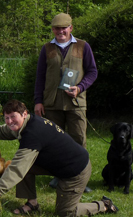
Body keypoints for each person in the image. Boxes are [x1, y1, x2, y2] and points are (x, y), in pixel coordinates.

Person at [0, 99, 118, 217]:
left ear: (24, 114)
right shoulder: (27, 123)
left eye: (13, 117)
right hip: (58, 165)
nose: (10, 121)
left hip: (76, 170)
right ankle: (32, 203)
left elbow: (18, 167)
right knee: (27, 167)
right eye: (6, 118)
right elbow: (3, 130)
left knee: (66, 212)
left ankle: (104, 205)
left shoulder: (32, 134)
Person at [33, 13, 97, 191]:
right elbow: (40, 77)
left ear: (71, 28)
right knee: (54, 141)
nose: (60, 31)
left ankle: (80, 180)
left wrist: (80, 87)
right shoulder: (47, 48)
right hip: (51, 103)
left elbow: (92, 72)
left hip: (76, 103)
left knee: (78, 139)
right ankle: (57, 176)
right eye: (56, 28)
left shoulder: (83, 46)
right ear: (53, 29)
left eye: (64, 27)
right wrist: (38, 101)